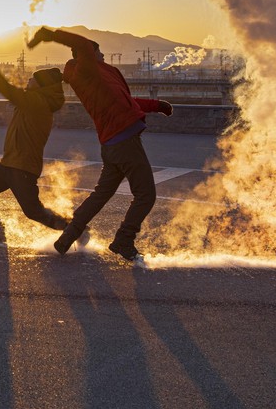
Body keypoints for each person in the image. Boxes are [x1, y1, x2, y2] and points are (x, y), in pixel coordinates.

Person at [28, 27, 173, 264]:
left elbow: (125, 102)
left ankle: (67, 237)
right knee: (146, 194)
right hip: (124, 141)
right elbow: (84, 46)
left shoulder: (99, 75)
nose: (104, 56)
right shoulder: (87, 71)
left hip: (113, 144)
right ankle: (124, 240)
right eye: (100, 52)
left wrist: (157, 105)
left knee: (101, 195)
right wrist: (51, 34)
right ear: (89, 55)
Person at [0, 40, 79, 247]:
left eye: (32, 79)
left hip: (21, 168)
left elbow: (6, 88)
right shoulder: (34, 101)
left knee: (33, 212)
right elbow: (14, 94)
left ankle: (75, 230)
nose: (28, 80)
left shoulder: (37, 103)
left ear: (41, 85)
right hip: (10, 164)